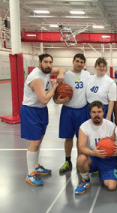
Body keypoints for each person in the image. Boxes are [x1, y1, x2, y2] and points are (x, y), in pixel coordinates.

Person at [21, 54, 65, 186]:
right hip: (31, 110)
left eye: (50, 62)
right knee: (34, 142)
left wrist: (61, 74)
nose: (49, 65)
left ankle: (35, 166)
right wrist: (55, 86)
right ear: (39, 62)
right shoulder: (36, 78)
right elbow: (45, 100)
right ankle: (30, 174)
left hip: (40, 111)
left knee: (39, 140)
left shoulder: (46, 70)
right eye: (46, 62)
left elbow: (61, 69)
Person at [54, 53, 90, 174]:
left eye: (82, 62)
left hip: (82, 110)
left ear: (84, 64)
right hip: (68, 110)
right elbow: (55, 97)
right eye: (77, 61)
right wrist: (58, 101)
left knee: (81, 139)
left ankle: (80, 162)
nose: (79, 64)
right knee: (68, 138)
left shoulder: (87, 74)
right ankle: (67, 161)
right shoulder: (65, 76)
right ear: (73, 61)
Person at [75, 101, 117, 195]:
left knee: (112, 186)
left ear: (103, 112)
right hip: (93, 157)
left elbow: (116, 144)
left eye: (99, 112)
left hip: (108, 159)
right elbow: (81, 147)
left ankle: (105, 172)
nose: (96, 115)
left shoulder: (111, 126)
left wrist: (111, 151)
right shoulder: (84, 126)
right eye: (94, 112)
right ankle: (85, 179)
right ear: (90, 113)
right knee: (81, 159)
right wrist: (93, 153)